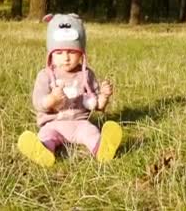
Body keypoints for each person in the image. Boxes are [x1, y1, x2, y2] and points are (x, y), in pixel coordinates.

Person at [17, 13, 122, 167]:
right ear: (51, 55)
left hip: (79, 123)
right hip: (53, 123)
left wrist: (104, 96)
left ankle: (102, 150)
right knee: (46, 135)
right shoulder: (45, 75)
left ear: (81, 53)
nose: (66, 58)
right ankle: (43, 152)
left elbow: (97, 105)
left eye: (72, 52)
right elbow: (37, 101)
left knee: (91, 132)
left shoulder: (86, 75)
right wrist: (50, 100)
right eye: (59, 53)